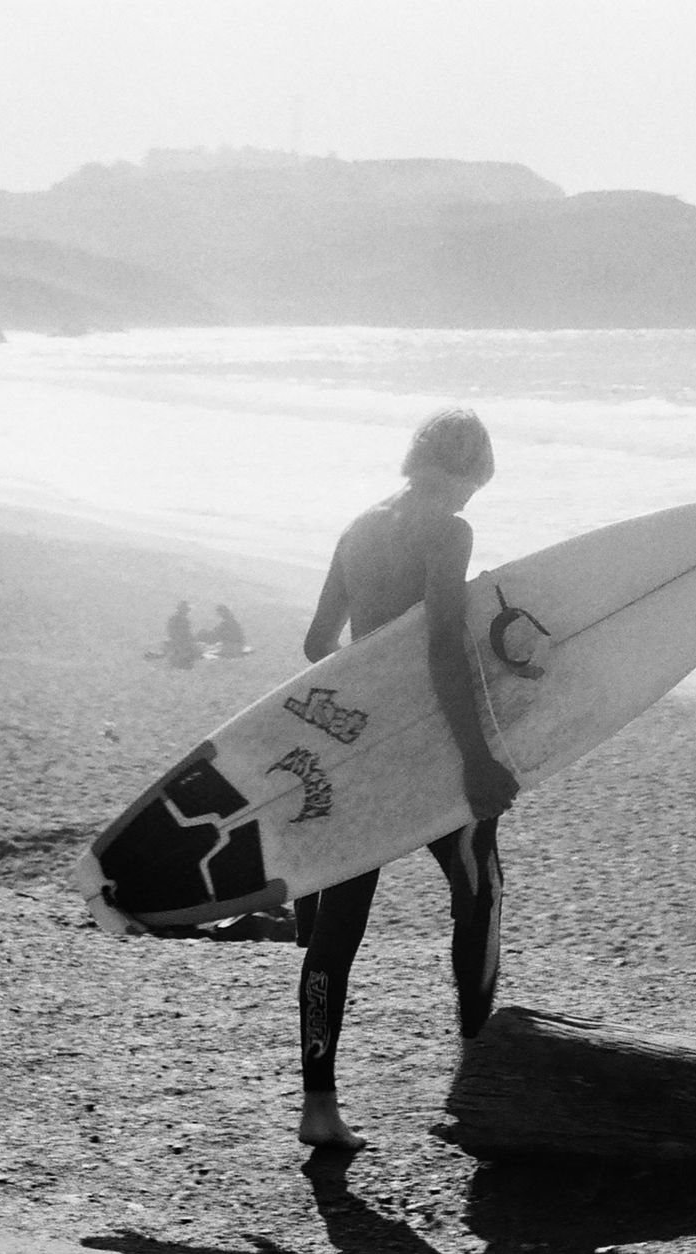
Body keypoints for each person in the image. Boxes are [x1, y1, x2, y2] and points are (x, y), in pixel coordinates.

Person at [294, 407, 519, 1151]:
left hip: (360, 749)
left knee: (337, 929)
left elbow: (317, 642)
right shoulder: (447, 530)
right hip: (426, 750)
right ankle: (474, 1075)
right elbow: (443, 649)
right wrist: (477, 759)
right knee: (477, 891)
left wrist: (348, 717)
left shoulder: (358, 526)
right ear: (475, 468)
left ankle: (320, 1109)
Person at [163, 600, 202, 668]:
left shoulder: (174, 618)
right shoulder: (182, 620)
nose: (187, 612)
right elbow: (185, 633)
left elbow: (172, 631)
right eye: (186, 610)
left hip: (177, 640)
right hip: (181, 641)